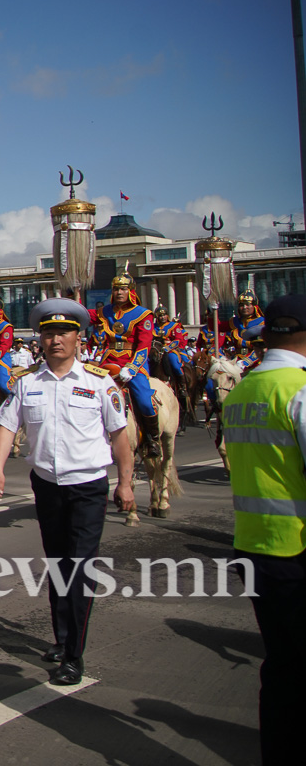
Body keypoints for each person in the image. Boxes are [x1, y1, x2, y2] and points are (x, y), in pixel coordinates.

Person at [0, 297, 133, 687]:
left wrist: (126, 483)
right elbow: (6, 426)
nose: (56, 340)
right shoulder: (27, 382)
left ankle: (73, 657)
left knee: (80, 568)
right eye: (49, 333)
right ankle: (62, 637)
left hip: (87, 486)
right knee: (58, 564)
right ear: (40, 339)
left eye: (63, 333)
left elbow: (120, 437)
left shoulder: (99, 382)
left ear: (78, 338)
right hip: (47, 485)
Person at [220, 294, 306, 765]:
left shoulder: (244, 390)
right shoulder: (299, 389)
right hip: (297, 548)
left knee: (280, 669)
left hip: (253, 543)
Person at [88, 271, 162, 459]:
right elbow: (86, 316)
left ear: (130, 291)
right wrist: (69, 307)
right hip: (108, 360)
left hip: (132, 362)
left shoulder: (143, 314)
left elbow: (144, 345)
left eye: (123, 289)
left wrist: (133, 367)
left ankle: (152, 439)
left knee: (144, 399)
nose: (119, 292)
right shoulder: (105, 311)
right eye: (116, 289)